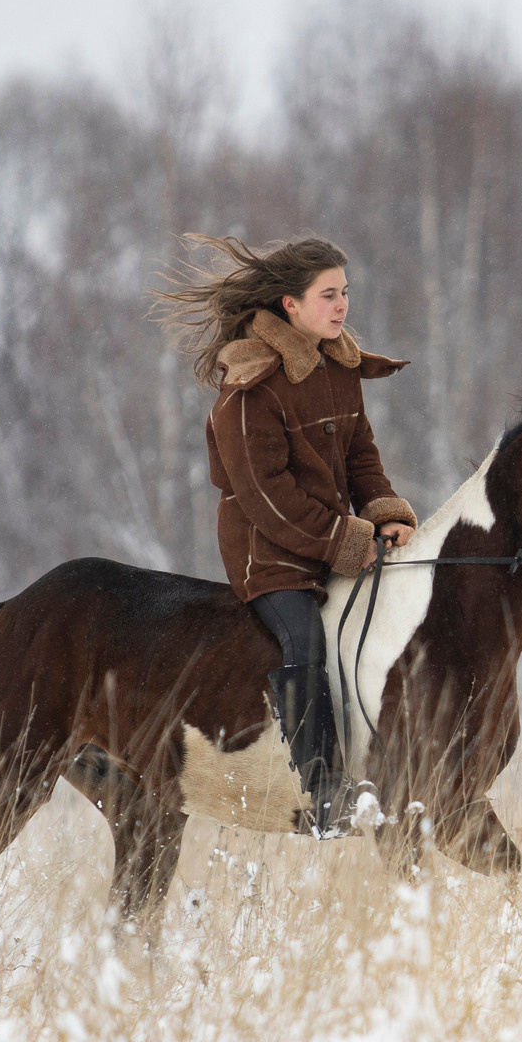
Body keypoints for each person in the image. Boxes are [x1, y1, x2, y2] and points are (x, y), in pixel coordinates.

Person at [156, 233, 417, 825]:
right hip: (269, 557)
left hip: (335, 546)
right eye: (328, 295)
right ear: (288, 305)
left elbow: (361, 456)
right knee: (305, 639)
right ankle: (323, 791)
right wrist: (346, 542)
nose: (342, 305)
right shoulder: (249, 388)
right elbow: (267, 498)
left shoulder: (338, 367)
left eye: (345, 292)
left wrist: (386, 513)